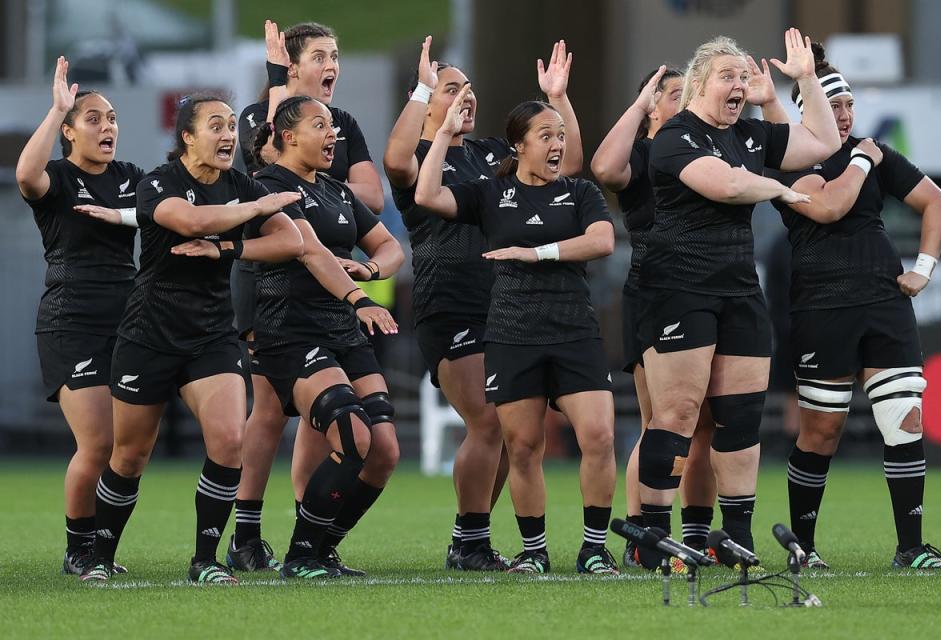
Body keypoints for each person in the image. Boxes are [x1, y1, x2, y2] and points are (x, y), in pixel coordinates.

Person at [79, 94, 305, 584]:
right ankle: (100, 554)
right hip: (149, 334)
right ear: (187, 137)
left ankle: (205, 560)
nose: (228, 136)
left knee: (229, 441)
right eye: (215, 126)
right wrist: (257, 206)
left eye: (230, 126)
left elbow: (292, 240)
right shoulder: (158, 183)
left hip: (211, 335)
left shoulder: (238, 185)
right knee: (130, 454)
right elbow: (190, 221)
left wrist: (230, 246)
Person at [635, 29, 840, 556]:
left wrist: (807, 80)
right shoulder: (674, 136)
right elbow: (725, 184)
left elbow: (824, 143)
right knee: (678, 414)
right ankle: (653, 537)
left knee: (742, 415)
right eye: (727, 76)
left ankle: (737, 538)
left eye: (743, 77)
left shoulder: (750, 133)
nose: (738, 85)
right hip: (679, 288)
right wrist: (777, 187)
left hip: (739, 289)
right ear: (699, 82)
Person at [384, 38, 582, 570]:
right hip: (449, 305)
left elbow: (566, 164)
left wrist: (558, 102)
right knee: (489, 421)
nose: (465, 97)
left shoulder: (492, 153)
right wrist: (428, 89)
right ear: (425, 101)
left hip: (508, 308)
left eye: (469, 90)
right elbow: (395, 161)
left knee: (516, 431)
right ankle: (470, 539)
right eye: (452, 90)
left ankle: (468, 538)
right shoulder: (422, 157)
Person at [764, 43, 941, 570]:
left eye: (849, 103)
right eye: (835, 105)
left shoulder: (874, 152)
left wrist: (924, 268)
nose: (845, 114)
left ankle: (911, 548)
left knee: (905, 418)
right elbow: (828, 207)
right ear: (810, 110)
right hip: (821, 307)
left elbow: (937, 203)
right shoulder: (791, 158)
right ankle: (804, 550)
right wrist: (860, 160)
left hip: (882, 300)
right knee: (821, 431)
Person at [415, 89, 619, 575]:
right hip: (510, 331)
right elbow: (426, 196)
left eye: (561, 136)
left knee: (599, 435)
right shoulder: (490, 192)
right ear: (519, 146)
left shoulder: (580, 192)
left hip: (573, 328)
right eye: (545, 135)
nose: (556, 144)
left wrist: (537, 253)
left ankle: (593, 549)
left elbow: (603, 241)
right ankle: (535, 552)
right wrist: (443, 134)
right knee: (524, 447)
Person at [228, 20, 386, 571]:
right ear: (291, 67)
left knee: (316, 410)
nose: (332, 66)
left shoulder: (341, 124)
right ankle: (248, 532)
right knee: (270, 407)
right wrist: (283, 99)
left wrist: (326, 177)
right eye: (320, 55)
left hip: (327, 282)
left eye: (336, 55)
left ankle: (308, 525)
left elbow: (370, 195)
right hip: (269, 280)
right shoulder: (259, 115)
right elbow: (269, 166)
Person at [16, 57, 142, 575]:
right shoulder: (60, 179)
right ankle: (79, 550)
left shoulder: (131, 177)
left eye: (111, 118)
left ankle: (101, 547)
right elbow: (26, 175)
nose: (107, 126)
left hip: (130, 321)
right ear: (69, 132)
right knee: (98, 443)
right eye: (93, 118)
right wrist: (56, 109)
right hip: (72, 321)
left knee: (128, 448)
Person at [591, 65, 718, 569]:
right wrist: (641, 104)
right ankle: (644, 539)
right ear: (649, 109)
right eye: (672, 95)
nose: (683, 102)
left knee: (704, 423)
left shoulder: (705, 150)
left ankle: (695, 535)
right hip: (657, 292)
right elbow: (604, 168)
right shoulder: (642, 153)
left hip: (711, 293)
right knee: (661, 423)